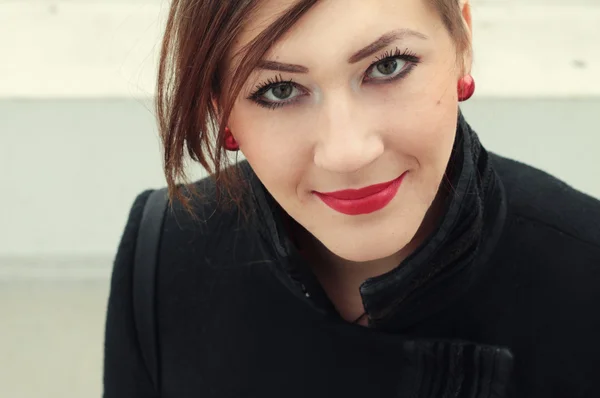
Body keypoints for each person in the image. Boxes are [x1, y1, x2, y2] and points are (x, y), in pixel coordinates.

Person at [103, 0, 600, 397]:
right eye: (278, 90)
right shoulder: (165, 255)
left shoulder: (585, 276)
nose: (347, 153)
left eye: (388, 65)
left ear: (463, 41)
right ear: (222, 110)